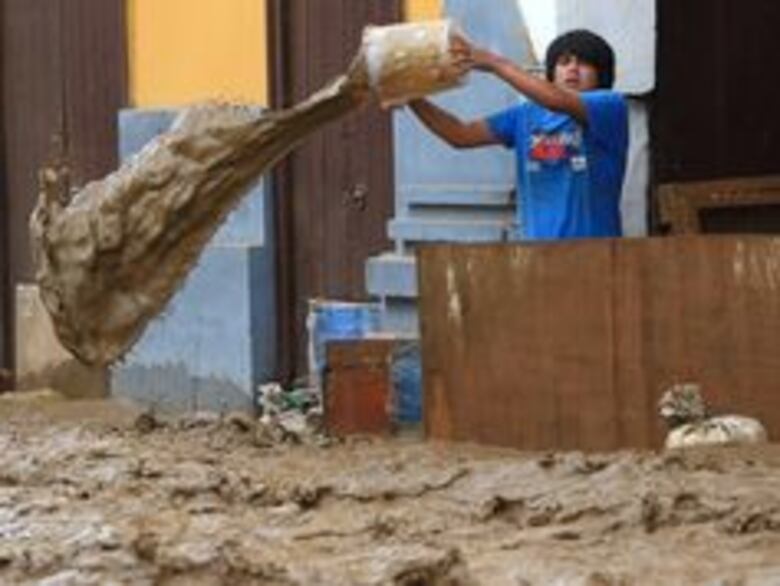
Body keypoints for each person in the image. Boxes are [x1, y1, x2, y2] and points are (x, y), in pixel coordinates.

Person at [408, 30, 628, 240]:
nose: (573, 68)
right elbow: (459, 135)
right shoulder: (525, 115)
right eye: (564, 61)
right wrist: (411, 96)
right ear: (551, 72)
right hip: (535, 257)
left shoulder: (610, 105)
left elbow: (553, 99)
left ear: (602, 73)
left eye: (584, 62)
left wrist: (495, 63)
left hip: (598, 256)